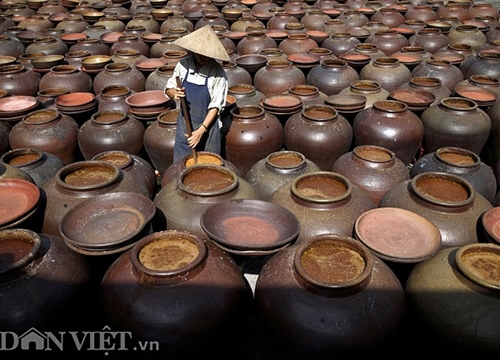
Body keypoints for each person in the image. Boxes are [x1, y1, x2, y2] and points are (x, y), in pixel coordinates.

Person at [164, 25, 230, 163]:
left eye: (206, 54)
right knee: (182, 168)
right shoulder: (183, 64)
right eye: (200, 53)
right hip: (185, 126)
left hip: (208, 128)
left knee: (208, 169)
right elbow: (169, 88)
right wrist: (174, 93)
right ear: (193, 50)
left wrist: (201, 131)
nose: (203, 57)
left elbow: (215, 107)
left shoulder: (217, 72)